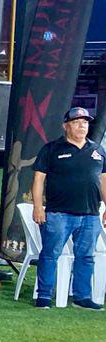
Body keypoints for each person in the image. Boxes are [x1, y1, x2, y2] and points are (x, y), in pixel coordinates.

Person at [32, 106, 106, 309]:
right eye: (77, 122)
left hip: (90, 214)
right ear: (66, 126)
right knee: (50, 254)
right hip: (59, 213)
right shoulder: (52, 149)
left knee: (86, 256)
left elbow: (103, 180)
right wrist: (38, 206)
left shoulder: (97, 150)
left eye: (85, 122)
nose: (82, 126)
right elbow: (38, 179)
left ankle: (82, 297)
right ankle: (44, 296)